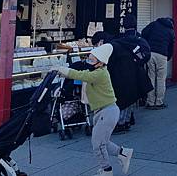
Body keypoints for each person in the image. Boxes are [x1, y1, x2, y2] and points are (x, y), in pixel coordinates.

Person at [55, 44, 133, 176]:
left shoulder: (100, 74)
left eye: (92, 59)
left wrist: (62, 70)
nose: (89, 61)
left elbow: (82, 76)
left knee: (97, 144)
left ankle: (106, 170)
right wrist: (64, 72)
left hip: (107, 111)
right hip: (103, 111)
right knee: (103, 142)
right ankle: (123, 153)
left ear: (101, 62)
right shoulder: (95, 71)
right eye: (89, 58)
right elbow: (83, 73)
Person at [141, 17, 175, 109]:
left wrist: (147, 45)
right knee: (160, 79)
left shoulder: (154, 24)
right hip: (162, 55)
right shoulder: (170, 30)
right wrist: (169, 57)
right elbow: (171, 46)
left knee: (151, 77)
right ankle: (159, 102)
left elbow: (143, 33)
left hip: (151, 53)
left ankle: (150, 102)